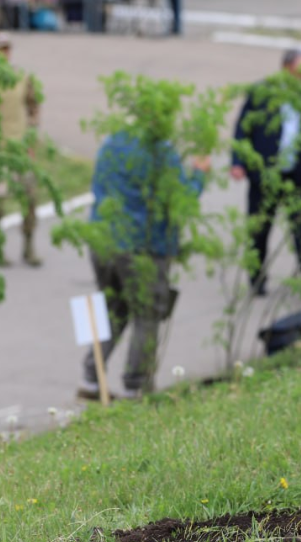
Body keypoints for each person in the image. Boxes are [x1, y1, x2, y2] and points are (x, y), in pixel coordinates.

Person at [79, 131, 211, 401]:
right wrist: (199, 174)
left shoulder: (110, 143)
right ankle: (136, 387)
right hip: (143, 247)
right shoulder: (161, 152)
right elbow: (181, 197)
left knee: (112, 310)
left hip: (102, 240)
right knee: (146, 315)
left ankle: (91, 379)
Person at [231, 50, 301, 298]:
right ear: (287, 68)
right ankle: (256, 279)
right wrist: (237, 161)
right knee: (259, 229)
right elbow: (242, 127)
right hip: (265, 175)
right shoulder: (263, 92)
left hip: (297, 176)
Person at [0, 31, 44, 267]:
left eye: (6, 50)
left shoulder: (23, 77)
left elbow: (34, 107)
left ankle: (28, 245)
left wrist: (32, 136)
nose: (3, 55)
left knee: (30, 198)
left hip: (20, 149)